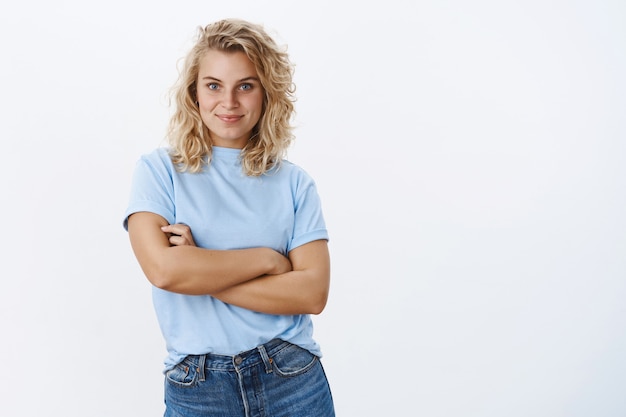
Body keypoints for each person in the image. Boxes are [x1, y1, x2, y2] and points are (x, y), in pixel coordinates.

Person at [122, 18, 335, 417]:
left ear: (266, 92)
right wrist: (269, 260)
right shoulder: (159, 171)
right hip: (198, 387)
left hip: (291, 378)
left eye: (246, 86)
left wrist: (201, 270)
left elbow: (311, 294)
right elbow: (166, 271)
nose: (230, 103)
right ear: (194, 92)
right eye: (214, 85)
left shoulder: (294, 183)